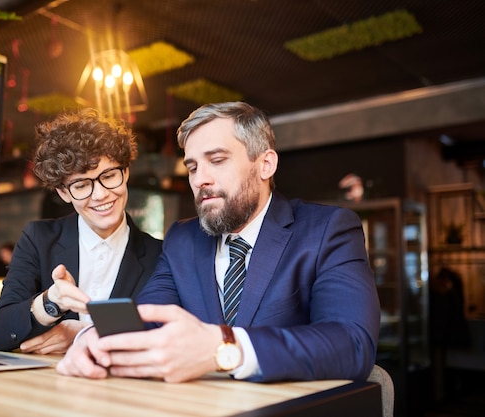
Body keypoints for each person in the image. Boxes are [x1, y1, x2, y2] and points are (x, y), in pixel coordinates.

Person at [55, 101, 380, 383]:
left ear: (265, 164)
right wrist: (92, 338)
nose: (200, 179)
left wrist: (223, 348)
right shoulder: (182, 239)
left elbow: (351, 343)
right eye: (193, 167)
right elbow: (148, 317)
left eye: (218, 160)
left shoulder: (328, 230)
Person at [0, 108, 163, 353]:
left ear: (125, 172)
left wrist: (83, 335)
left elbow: (159, 330)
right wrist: (51, 302)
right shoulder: (39, 238)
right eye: (82, 185)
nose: (101, 194)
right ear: (63, 192)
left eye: (109, 175)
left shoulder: (158, 253)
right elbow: (0, 331)